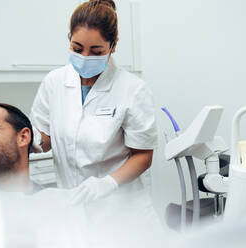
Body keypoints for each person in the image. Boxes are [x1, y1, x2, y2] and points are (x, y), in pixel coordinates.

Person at [31, 0, 159, 221]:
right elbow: (46, 139)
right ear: (69, 39)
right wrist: (28, 140)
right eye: (77, 48)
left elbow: (143, 156)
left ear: (113, 45)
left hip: (122, 211)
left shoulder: (133, 89)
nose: (85, 57)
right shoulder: (54, 82)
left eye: (96, 51)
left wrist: (108, 183)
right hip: (73, 208)